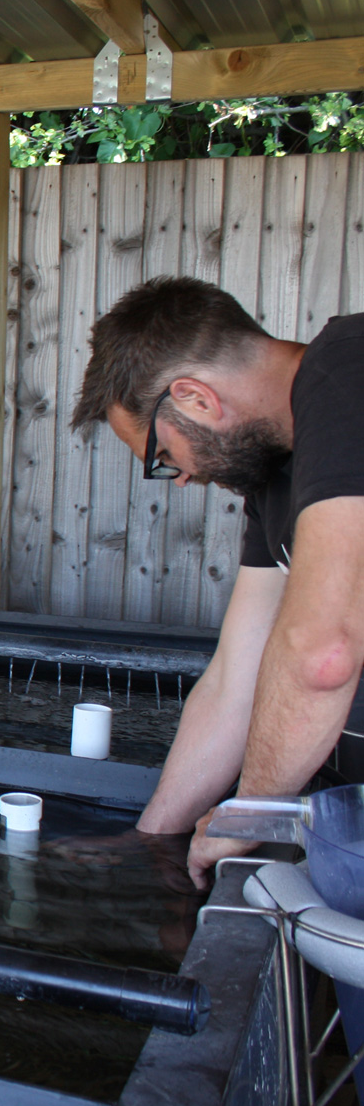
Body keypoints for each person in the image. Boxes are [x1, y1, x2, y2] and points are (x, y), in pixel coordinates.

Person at [71, 276, 364, 888]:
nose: (180, 479)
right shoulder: (276, 479)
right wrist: (152, 844)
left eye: (164, 457)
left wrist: (252, 810)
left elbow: (324, 654)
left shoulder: (349, 365)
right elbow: (235, 676)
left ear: (195, 398)